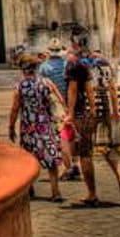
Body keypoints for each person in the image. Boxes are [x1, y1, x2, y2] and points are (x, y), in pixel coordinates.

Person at [8, 55, 64, 201]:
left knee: (29, 157)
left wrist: (11, 126)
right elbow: (60, 99)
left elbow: (15, 108)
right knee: (50, 155)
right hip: (45, 124)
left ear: (23, 69)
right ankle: (56, 192)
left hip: (28, 127)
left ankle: (31, 189)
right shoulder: (46, 82)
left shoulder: (20, 86)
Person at [89, 48, 120, 201]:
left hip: (94, 112)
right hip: (107, 110)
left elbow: (89, 91)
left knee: (87, 150)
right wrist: (116, 112)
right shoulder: (108, 70)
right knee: (109, 147)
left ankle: (92, 192)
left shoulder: (90, 70)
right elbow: (113, 90)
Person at [64, 34, 99, 206]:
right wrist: (92, 109)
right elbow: (89, 90)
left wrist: (69, 114)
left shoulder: (72, 65)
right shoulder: (85, 65)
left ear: (75, 46)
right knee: (86, 154)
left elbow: (72, 90)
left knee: (83, 155)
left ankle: (91, 194)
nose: (68, 48)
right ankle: (91, 191)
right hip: (85, 113)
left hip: (77, 114)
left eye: (70, 45)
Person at [38, 40, 75, 178]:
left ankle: (68, 167)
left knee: (61, 137)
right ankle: (73, 163)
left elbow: (42, 88)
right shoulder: (67, 65)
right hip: (69, 102)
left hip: (54, 105)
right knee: (70, 135)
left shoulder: (44, 67)